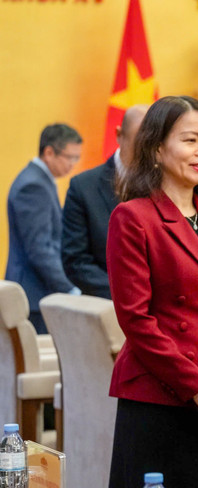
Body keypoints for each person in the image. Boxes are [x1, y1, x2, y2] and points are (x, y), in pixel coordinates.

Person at [105, 96, 198, 488]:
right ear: (157, 149)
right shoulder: (132, 217)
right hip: (162, 398)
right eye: (191, 140)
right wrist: (196, 386)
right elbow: (136, 320)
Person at [61, 105, 146, 298]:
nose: (146, 153)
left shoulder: (165, 183)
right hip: (106, 307)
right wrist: (129, 295)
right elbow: (75, 261)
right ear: (119, 135)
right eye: (139, 143)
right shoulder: (83, 187)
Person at [6, 124, 83, 333]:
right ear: (49, 152)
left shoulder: (40, 180)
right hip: (34, 295)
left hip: (38, 292)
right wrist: (69, 288)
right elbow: (39, 249)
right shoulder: (33, 186)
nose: (73, 165)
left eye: (77, 158)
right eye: (70, 157)